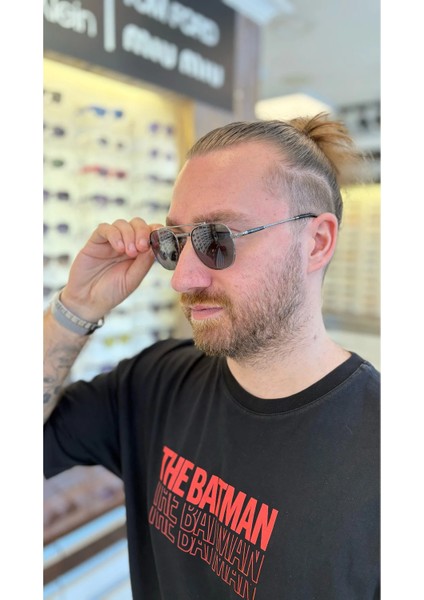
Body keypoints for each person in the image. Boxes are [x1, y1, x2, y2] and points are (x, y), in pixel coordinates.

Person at [44, 113, 380, 599]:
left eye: (217, 239)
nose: (183, 278)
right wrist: (76, 307)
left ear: (316, 242)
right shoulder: (155, 383)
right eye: (175, 242)